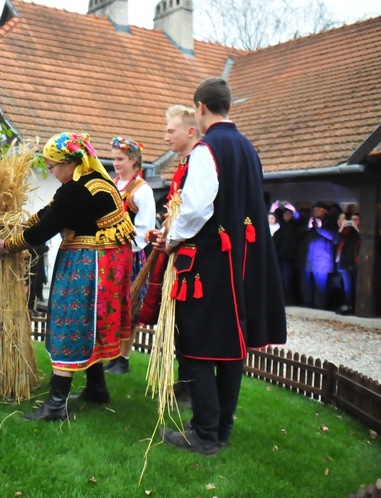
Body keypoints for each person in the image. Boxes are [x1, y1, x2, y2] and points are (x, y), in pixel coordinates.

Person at [149, 78, 286, 455]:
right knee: (230, 349)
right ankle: (221, 430)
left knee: (196, 346)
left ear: (201, 108)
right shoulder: (248, 148)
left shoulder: (207, 149)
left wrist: (171, 238)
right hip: (243, 261)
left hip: (210, 262)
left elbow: (196, 209)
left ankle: (205, 433)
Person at [0, 132, 135, 421]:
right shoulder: (92, 181)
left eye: (52, 166)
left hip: (88, 262)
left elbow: (46, 227)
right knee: (89, 324)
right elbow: (49, 212)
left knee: (71, 320)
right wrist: (12, 224)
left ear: (69, 162)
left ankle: (56, 405)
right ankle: (96, 388)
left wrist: (7, 246)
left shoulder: (79, 189)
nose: (50, 172)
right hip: (105, 261)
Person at [138, 104, 200, 406]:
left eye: (170, 131)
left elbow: (195, 215)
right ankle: (185, 383)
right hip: (174, 252)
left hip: (189, 261)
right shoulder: (183, 165)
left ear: (190, 131)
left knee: (188, 326)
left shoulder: (197, 166)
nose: (165, 138)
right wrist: (161, 234)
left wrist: (170, 239)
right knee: (178, 326)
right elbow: (177, 215)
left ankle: (190, 386)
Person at [105, 136, 154, 375]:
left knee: (130, 306)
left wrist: (125, 245)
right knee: (112, 305)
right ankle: (113, 354)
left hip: (130, 255)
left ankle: (123, 357)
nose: (115, 163)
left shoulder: (142, 189)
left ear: (133, 160)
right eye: (114, 158)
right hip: (111, 255)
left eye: (120, 159)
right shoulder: (113, 184)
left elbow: (144, 229)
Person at [298, 201, 338, 309]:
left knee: (321, 285)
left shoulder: (331, 222)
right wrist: (308, 226)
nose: (316, 211)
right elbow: (298, 234)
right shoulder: (308, 221)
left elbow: (335, 238)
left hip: (322, 259)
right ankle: (306, 304)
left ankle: (320, 305)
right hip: (307, 258)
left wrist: (320, 228)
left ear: (325, 211)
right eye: (314, 209)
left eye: (319, 209)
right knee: (305, 284)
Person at [336, 212, 360, 315]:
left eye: (356, 219)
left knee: (354, 285)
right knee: (347, 285)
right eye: (352, 220)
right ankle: (347, 305)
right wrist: (341, 227)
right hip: (344, 261)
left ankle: (354, 306)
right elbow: (337, 240)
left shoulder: (362, 231)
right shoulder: (347, 231)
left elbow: (364, 239)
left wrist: (357, 228)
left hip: (355, 262)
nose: (353, 222)